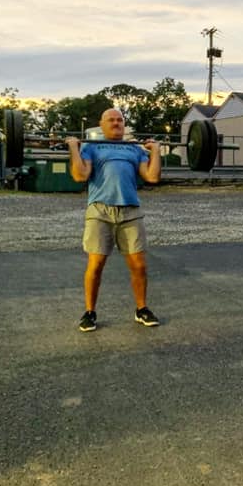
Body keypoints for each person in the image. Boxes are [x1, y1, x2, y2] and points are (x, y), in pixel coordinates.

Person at [66, 108, 162, 332]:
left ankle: (142, 309)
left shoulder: (134, 148)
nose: (116, 123)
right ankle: (89, 312)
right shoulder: (91, 147)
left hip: (130, 211)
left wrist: (156, 151)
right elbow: (80, 175)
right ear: (102, 125)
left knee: (139, 265)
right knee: (96, 265)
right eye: (111, 120)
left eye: (120, 120)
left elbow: (152, 176)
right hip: (100, 211)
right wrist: (73, 148)